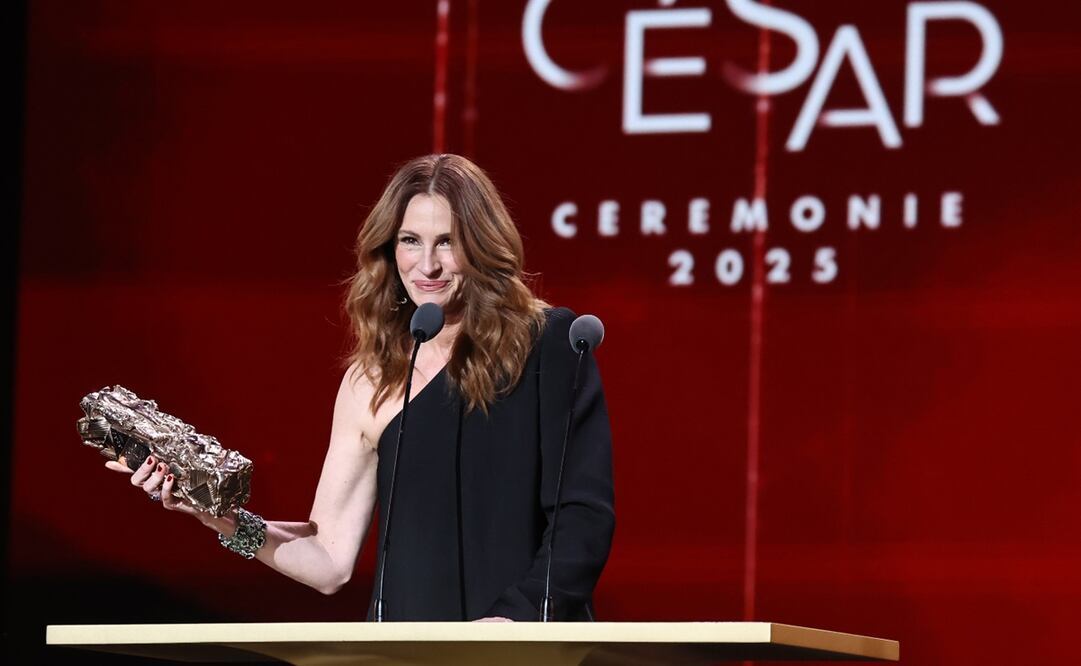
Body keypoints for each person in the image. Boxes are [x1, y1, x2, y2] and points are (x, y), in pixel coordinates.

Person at [106, 154, 615, 621]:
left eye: (448, 242)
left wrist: (511, 621)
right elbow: (329, 561)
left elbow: (583, 520)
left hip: (523, 647)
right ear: (389, 249)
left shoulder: (549, 347)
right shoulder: (371, 379)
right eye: (410, 241)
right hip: (408, 651)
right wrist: (217, 517)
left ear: (481, 245)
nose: (428, 265)